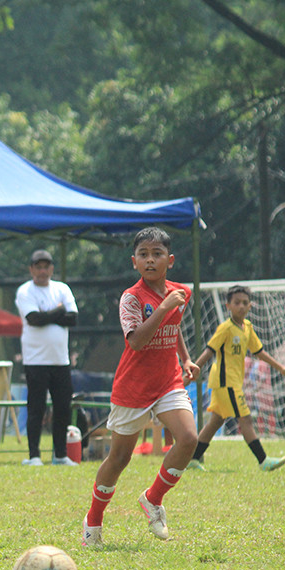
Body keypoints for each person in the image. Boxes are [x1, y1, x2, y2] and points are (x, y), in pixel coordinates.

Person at [82, 227, 199, 549]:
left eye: (157, 254)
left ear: (170, 260)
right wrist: (162, 308)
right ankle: (93, 521)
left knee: (189, 438)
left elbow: (172, 330)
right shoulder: (131, 298)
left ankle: (153, 499)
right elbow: (137, 342)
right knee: (119, 459)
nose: (150, 260)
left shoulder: (180, 293)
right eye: (144, 255)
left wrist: (185, 359)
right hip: (133, 388)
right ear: (134, 262)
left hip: (168, 381)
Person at [187, 285, 285, 472]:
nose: (241, 306)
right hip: (225, 382)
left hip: (231, 383)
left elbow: (259, 352)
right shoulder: (226, 328)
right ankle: (263, 460)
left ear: (250, 306)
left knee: (215, 422)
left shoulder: (247, 328)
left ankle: (192, 459)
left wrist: (281, 368)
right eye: (237, 303)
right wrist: (194, 369)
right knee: (245, 420)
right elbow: (209, 351)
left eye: (245, 303)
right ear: (228, 305)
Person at [15, 249, 78, 466]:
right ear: (31, 269)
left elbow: (73, 318)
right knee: (36, 408)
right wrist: (59, 311)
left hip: (61, 360)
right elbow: (33, 319)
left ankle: (60, 455)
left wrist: (49, 315)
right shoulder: (25, 291)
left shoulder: (62, 288)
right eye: (38, 267)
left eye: (46, 267)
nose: (42, 271)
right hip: (35, 361)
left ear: (52, 269)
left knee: (62, 407)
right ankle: (34, 455)